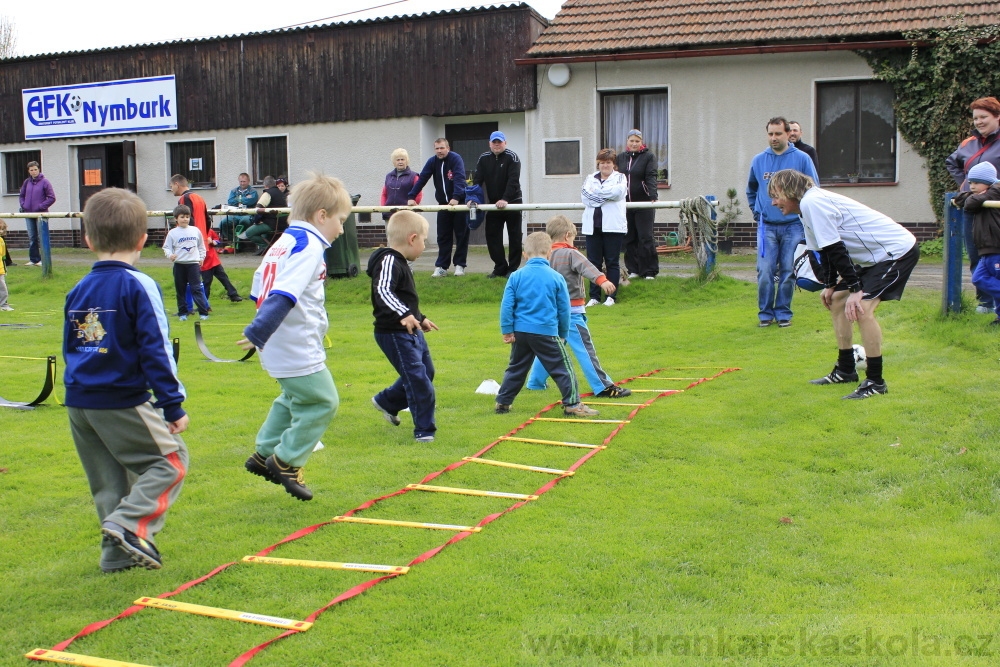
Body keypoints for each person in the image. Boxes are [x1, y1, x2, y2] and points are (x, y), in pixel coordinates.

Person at [63, 187, 189, 572]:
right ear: (142, 239)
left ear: (87, 240)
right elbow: (156, 348)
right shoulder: (138, 285)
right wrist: (172, 403)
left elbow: (74, 343)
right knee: (171, 461)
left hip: (79, 400)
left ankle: (116, 555)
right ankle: (131, 525)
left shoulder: (77, 289)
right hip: (120, 397)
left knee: (109, 480)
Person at [238, 173, 352, 501]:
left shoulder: (284, 241)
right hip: (293, 342)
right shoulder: (310, 245)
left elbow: (259, 287)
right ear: (321, 216)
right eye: (340, 220)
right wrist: (259, 331)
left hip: (277, 341)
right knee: (322, 401)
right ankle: (286, 461)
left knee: (292, 398)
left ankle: (263, 454)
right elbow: (284, 293)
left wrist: (261, 330)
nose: (342, 229)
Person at [768, 169, 919, 399]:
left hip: (895, 251)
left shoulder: (813, 203)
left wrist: (857, 290)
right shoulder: (806, 207)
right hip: (874, 256)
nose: (773, 202)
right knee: (837, 299)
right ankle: (846, 369)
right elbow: (823, 250)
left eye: (776, 195)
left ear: (789, 190)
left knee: (862, 308)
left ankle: (876, 382)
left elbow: (835, 248)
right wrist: (830, 285)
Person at [495, 232, 599, 417]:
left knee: (516, 368)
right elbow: (564, 309)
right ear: (549, 253)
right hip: (547, 332)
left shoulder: (516, 276)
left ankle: (503, 402)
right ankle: (573, 404)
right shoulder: (556, 277)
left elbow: (507, 305)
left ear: (524, 254)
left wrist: (507, 330)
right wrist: (563, 332)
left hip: (521, 332)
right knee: (563, 368)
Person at [526, 215, 630, 398]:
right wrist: (603, 281)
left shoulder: (545, 257)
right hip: (571, 314)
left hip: (550, 314)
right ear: (567, 235)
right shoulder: (571, 253)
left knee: (552, 348)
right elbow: (587, 267)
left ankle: (535, 382)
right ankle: (603, 385)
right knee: (585, 349)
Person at [367, 210, 439, 442]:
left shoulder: (400, 263)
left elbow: (404, 297)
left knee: (426, 373)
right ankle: (424, 431)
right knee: (418, 379)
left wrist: (420, 317)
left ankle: (386, 401)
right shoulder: (388, 260)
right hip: (394, 333)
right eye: (424, 241)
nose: (424, 247)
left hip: (411, 329)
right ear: (412, 238)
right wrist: (404, 314)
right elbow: (383, 291)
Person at [746, 117, 820, 328]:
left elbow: (814, 189)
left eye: (778, 133)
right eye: (770, 134)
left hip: (793, 225)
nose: (774, 138)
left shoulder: (802, 159)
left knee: (789, 270)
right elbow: (751, 189)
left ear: (788, 134)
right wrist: (756, 210)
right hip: (767, 225)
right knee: (765, 270)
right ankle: (765, 314)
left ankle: (783, 313)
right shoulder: (759, 160)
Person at [946, 97, 1000, 314]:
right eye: (975, 118)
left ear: (997, 117)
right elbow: (952, 162)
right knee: (976, 253)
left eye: (983, 117)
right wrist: (964, 183)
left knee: (995, 256)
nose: (978, 122)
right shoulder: (968, 144)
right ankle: (985, 301)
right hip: (972, 206)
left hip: (995, 208)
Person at [407, 138, 467, 277]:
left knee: (461, 235)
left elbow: (460, 178)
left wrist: (456, 197)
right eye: (437, 148)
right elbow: (422, 179)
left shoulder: (456, 159)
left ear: (448, 148)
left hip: (459, 204)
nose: (439, 151)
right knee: (443, 236)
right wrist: (411, 196)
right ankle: (442, 267)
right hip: (443, 205)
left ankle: (460, 265)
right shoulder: (432, 161)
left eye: (442, 148)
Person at [955, 162, 1000, 326]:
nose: (972, 186)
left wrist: (975, 198)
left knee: (994, 279)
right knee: (979, 278)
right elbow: (963, 199)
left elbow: (970, 204)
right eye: (970, 182)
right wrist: (972, 196)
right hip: (985, 249)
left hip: (996, 247)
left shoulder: (995, 192)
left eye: (976, 182)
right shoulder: (985, 194)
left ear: (989, 182)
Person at [582, 148, 627, 307]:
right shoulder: (589, 178)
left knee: (611, 262)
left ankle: (611, 297)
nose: (605, 166)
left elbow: (618, 193)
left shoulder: (620, 177)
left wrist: (598, 193)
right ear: (598, 164)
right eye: (602, 163)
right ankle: (594, 296)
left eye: (608, 162)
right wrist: (605, 195)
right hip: (593, 226)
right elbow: (585, 197)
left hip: (613, 226)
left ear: (613, 164)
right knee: (593, 262)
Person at [474, 131, 523, 278]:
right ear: (490, 143)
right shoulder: (483, 159)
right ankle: (500, 267)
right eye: (494, 142)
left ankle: (513, 269)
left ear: (505, 143)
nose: (497, 145)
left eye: (499, 142)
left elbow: (513, 181)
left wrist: (505, 199)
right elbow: (477, 181)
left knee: (515, 237)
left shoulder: (512, 158)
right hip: (494, 205)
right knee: (492, 235)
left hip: (512, 202)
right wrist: (473, 198)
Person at [617, 129, 659, 281]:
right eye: (631, 141)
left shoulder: (648, 157)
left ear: (641, 142)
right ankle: (633, 269)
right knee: (630, 237)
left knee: (645, 237)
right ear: (627, 141)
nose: (634, 143)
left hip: (643, 203)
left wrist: (653, 194)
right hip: (625, 204)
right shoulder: (621, 157)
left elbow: (651, 176)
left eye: (637, 141)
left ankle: (649, 271)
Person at [163, 205, 210, 321]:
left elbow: (201, 246)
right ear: (176, 219)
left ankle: (203, 312)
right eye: (182, 217)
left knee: (196, 288)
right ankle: (182, 313)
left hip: (193, 264)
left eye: (187, 217)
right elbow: (166, 247)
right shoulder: (173, 233)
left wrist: (202, 257)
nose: (185, 219)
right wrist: (170, 255)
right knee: (181, 289)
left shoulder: (195, 230)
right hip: (179, 265)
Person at [18, 161, 56, 267]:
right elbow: (21, 195)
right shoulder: (26, 182)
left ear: (39, 169)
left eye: (35, 169)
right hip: (28, 214)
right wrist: (23, 205)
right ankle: (34, 259)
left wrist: (40, 207)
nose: (34, 172)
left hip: (41, 214)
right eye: (31, 170)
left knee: (42, 236)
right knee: (32, 237)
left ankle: (44, 259)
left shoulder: (45, 182)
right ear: (28, 171)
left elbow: (52, 198)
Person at [240, 175, 287, 255]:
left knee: (249, 233)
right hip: (284, 224)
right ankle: (267, 248)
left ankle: (266, 248)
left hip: (272, 224)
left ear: (265, 185)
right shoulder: (281, 193)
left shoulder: (267, 194)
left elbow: (258, 210)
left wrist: (256, 221)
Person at [201, 227, 243, 302]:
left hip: (214, 260)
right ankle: (203, 302)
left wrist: (213, 242)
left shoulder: (209, 230)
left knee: (224, 278)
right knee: (206, 282)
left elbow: (218, 240)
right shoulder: (194, 232)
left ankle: (233, 295)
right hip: (204, 263)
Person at [381, 149, 422, 222]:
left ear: (407, 161)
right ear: (394, 162)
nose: (400, 162)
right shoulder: (388, 176)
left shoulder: (414, 176)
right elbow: (384, 194)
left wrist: (412, 208)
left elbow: (419, 194)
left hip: (407, 215)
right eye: (397, 160)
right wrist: (383, 209)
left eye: (402, 159)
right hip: (389, 215)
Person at [221, 172, 259, 241]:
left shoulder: (253, 191)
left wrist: (237, 199)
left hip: (248, 215)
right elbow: (230, 201)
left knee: (244, 221)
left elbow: (251, 201)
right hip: (235, 215)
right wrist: (244, 198)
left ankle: (241, 241)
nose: (242, 183)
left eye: (244, 181)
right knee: (222, 224)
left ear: (248, 181)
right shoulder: (233, 191)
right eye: (241, 181)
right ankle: (234, 241)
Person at [169, 174, 209, 238]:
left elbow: (187, 220)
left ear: (176, 184)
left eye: (171, 186)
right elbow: (208, 220)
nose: (171, 189)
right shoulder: (200, 198)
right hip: (202, 239)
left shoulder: (184, 198)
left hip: (191, 240)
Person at [0, 220, 12, 311]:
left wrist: (4, 268)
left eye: (2, 229)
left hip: (0, 270)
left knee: (2, 287)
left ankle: (3, 304)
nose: (1, 231)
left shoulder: (1, 241)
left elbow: (3, 256)